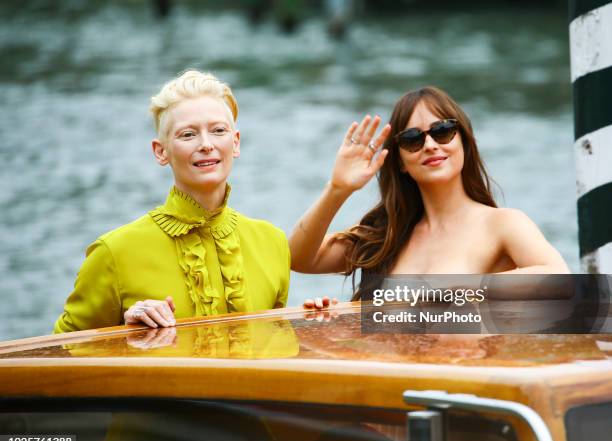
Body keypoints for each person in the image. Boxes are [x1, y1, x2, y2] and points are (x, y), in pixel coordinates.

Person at [54, 70, 290, 332]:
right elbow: (58, 354)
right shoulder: (113, 253)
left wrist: (318, 318)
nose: (206, 144)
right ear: (161, 151)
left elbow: (276, 349)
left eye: (218, 130)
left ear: (235, 143)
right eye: (188, 135)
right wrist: (125, 334)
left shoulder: (273, 243)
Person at [290, 86, 569, 305]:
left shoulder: (502, 224)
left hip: (464, 374)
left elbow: (558, 278)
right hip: (394, 375)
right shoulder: (385, 236)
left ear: (464, 141)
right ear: (399, 161)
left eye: (443, 131)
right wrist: (338, 189)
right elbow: (297, 258)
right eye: (413, 139)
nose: (430, 145)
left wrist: (450, 291)